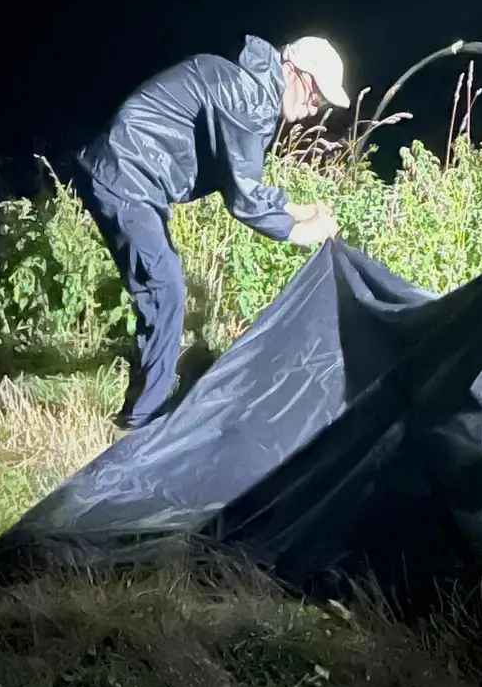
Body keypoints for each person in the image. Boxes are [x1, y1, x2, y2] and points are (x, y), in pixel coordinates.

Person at [77, 32, 351, 431]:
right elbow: (244, 200)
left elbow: (238, 179)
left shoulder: (249, 86)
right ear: (295, 74)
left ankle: (144, 407)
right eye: (316, 98)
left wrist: (301, 209)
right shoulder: (249, 99)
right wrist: (302, 233)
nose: (314, 110)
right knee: (165, 288)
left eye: (321, 105)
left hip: (133, 175)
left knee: (163, 286)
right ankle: (141, 423)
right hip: (125, 175)